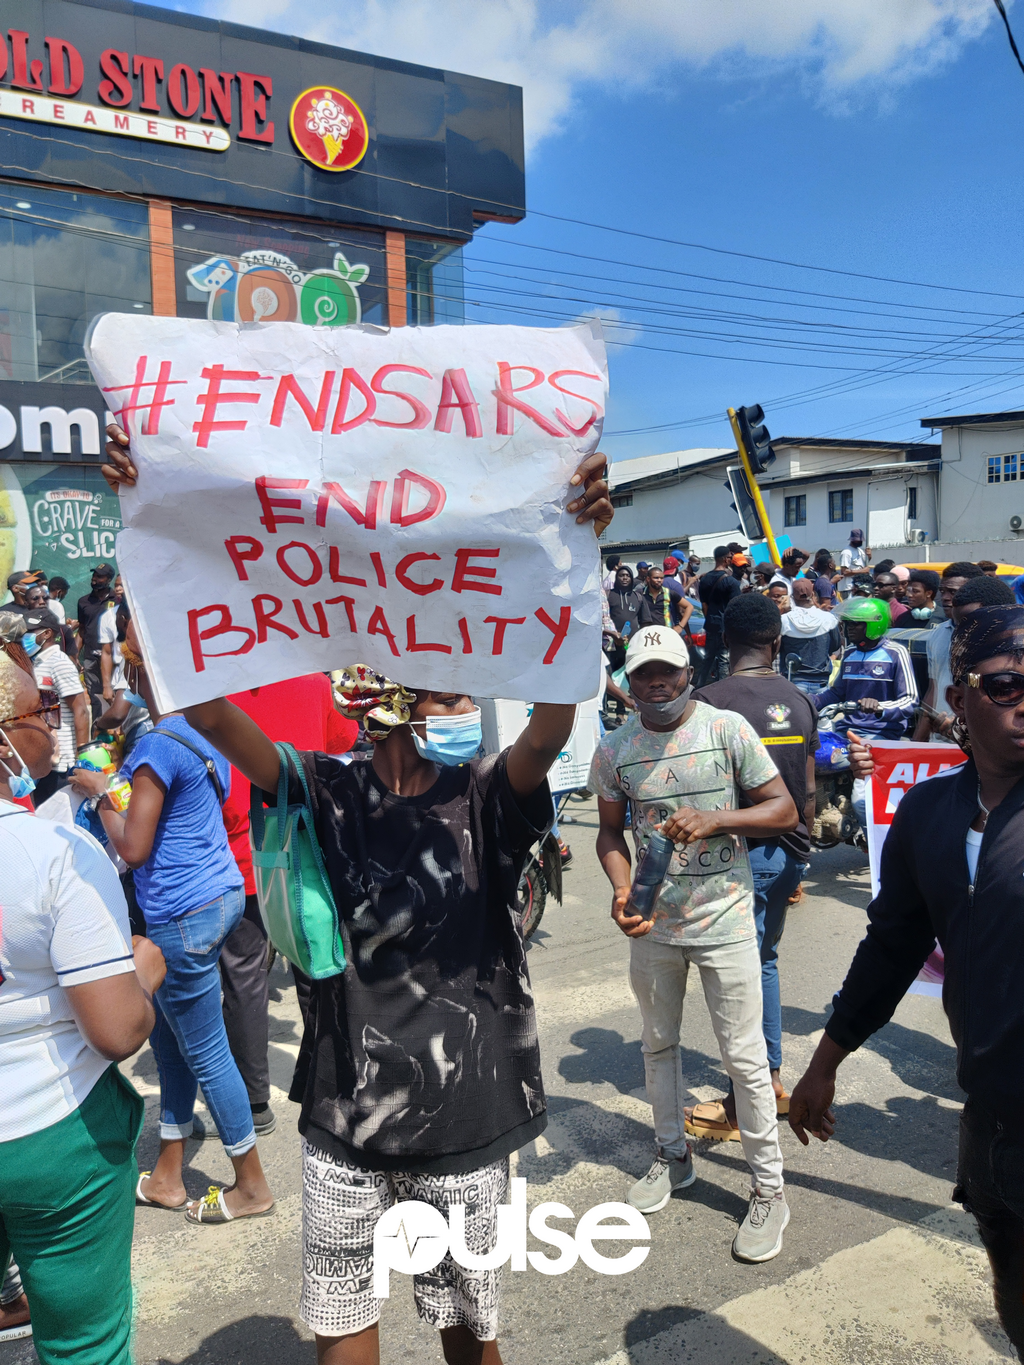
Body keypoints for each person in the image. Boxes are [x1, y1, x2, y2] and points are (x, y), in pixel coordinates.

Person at [103, 421, 612, 1362]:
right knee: (341, 1319)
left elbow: (552, 719)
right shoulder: (320, 789)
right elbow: (210, 708)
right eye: (454, 695)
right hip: (345, 1110)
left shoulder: (489, 797)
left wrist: (577, 551)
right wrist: (150, 533)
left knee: (468, 1325)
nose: (470, 711)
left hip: (466, 1114)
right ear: (397, 704)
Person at [789, 603, 1024, 1357]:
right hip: (992, 1114)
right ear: (958, 701)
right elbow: (891, 946)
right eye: (1009, 684)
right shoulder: (929, 811)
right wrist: (825, 1061)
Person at [590, 624, 797, 1260]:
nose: (657, 684)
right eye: (644, 674)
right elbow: (607, 835)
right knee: (659, 1046)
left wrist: (718, 817)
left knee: (744, 1060)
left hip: (728, 918)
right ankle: (672, 1157)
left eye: (668, 672)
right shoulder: (615, 748)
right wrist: (623, 891)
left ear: (687, 673)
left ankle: (769, 1191)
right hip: (656, 927)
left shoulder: (725, 729)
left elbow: (783, 809)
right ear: (628, 682)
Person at [68, 619, 274, 1225]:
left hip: (182, 915)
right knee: (170, 1041)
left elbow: (132, 848)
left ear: (138, 673)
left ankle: (252, 1184)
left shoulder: (159, 744)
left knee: (206, 1051)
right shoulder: (203, 733)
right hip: (219, 898)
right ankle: (166, 1173)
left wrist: (101, 790)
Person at [0, 645, 166, 1365]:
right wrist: (142, 973)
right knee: (84, 1349)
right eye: (40, 708)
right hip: (50, 1133)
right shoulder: (53, 850)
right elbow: (116, 1029)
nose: (51, 723)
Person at [197, 675, 359, 1138]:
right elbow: (342, 740)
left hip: (242, 850)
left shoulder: (214, 690)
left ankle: (253, 1104)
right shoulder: (312, 681)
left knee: (244, 979)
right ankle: (332, 1083)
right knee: (317, 968)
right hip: (307, 847)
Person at [684, 594, 817, 1139]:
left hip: (738, 853)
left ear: (724, 640)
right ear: (776, 641)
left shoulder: (709, 701)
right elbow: (807, 788)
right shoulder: (801, 699)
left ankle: (749, 1101)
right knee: (762, 962)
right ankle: (771, 1080)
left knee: (738, 975)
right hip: (788, 851)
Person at [814, 598, 917, 829]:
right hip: (846, 732)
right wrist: (807, 700)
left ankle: (872, 843)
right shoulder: (849, 653)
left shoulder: (895, 653)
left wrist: (880, 707)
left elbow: (910, 701)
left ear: (874, 625)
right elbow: (836, 693)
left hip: (880, 736)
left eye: (857, 623)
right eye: (848, 622)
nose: (850, 627)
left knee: (862, 802)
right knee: (810, 758)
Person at [913, 571, 1009, 741]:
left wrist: (960, 734)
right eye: (958, 627)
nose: (960, 635)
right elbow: (933, 692)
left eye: (970, 626)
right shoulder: (950, 642)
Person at [23, 607, 90, 804]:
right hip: (44, 758)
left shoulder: (59, 663)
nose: (25, 637)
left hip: (62, 763)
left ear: (46, 633)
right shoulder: (37, 662)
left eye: (29, 632)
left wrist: (81, 757)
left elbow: (80, 710)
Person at [779, 579, 842, 693]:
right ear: (813, 594)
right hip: (821, 682)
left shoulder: (784, 620)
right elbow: (835, 646)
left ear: (792, 597)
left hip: (793, 682)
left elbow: (778, 648)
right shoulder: (828, 618)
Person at [76, 564, 116, 723]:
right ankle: (100, 732)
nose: (95, 579)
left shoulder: (117, 599)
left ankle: (120, 735)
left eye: (100, 576)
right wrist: (74, 655)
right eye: (94, 575)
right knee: (96, 698)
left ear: (109, 579)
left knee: (115, 696)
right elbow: (82, 630)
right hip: (91, 657)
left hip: (114, 659)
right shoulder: (83, 601)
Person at [696, 546, 742, 685]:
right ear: (723, 559)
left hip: (710, 624)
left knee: (708, 657)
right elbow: (735, 607)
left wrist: (710, 619)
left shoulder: (704, 580)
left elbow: (704, 605)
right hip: (725, 625)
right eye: (729, 557)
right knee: (724, 658)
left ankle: (700, 685)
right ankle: (723, 686)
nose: (730, 560)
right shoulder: (731, 582)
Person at [606, 564, 645, 670]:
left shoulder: (638, 597)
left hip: (633, 645)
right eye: (621, 575)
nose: (624, 578)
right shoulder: (608, 595)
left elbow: (645, 621)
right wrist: (614, 635)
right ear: (616, 578)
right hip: (612, 644)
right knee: (613, 674)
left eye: (627, 575)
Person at [97, 575, 126, 713]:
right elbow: (107, 652)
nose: (118, 589)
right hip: (120, 681)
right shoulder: (108, 616)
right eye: (116, 585)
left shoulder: (147, 614)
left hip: (147, 683)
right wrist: (107, 686)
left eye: (122, 585)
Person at [639, 564, 690, 634]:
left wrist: (680, 626)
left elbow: (689, 607)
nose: (659, 580)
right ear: (648, 579)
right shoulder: (640, 594)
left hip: (666, 633)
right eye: (656, 578)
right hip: (647, 634)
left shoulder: (669, 593)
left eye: (661, 578)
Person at [838, 529, 870, 598]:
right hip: (848, 588)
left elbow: (864, 566)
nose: (861, 541)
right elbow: (844, 572)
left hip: (858, 587)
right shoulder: (846, 552)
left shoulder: (860, 551)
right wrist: (862, 571)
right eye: (858, 540)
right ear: (853, 540)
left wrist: (869, 556)